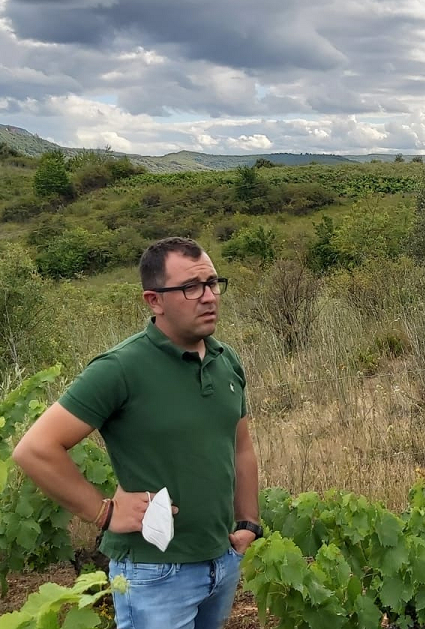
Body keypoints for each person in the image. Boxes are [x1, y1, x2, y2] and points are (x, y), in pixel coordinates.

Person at [13, 236, 259, 629]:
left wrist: (248, 522)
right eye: (191, 287)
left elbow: (240, 446)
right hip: (156, 574)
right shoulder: (121, 368)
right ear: (154, 300)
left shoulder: (225, 359)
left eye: (213, 283)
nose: (209, 296)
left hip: (221, 563)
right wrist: (103, 511)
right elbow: (35, 449)